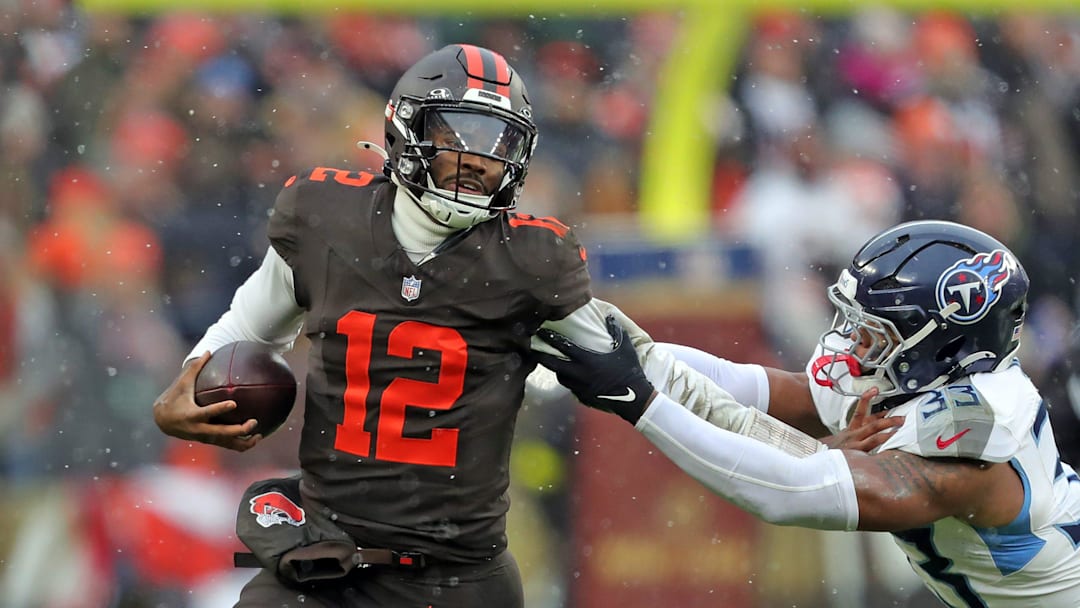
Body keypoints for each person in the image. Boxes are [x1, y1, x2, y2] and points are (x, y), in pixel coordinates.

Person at [153, 44, 846, 607]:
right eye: (458, 134)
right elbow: (245, 332)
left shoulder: (529, 261)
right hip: (324, 563)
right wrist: (187, 385)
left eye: (497, 142)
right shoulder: (324, 220)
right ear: (407, 129)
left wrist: (808, 441)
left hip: (456, 580)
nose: (478, 159)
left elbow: (656, 374)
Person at [537, 220, 1080, 607]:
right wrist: (602, 335)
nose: (852, 343)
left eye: (874, 332)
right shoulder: (919, 383)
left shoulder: (975, 438)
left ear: (942, 345)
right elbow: (748, 387)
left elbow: (791, 492)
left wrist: (641, 402)